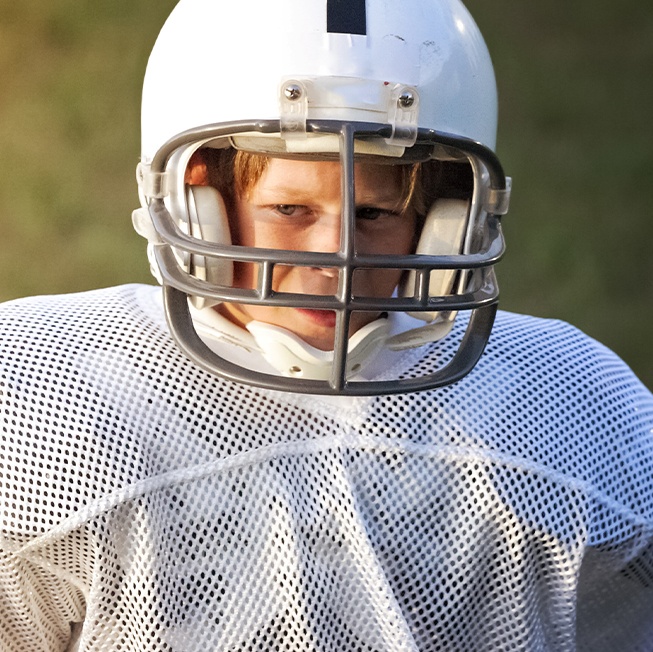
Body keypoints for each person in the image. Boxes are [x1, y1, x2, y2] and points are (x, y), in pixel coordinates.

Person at [1, 0, 651, 650]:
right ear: (199, 203)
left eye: (373, 213)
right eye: (288, 207)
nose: (336, 258)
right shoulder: (50, 393)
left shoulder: (575, 404)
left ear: (443, 222)